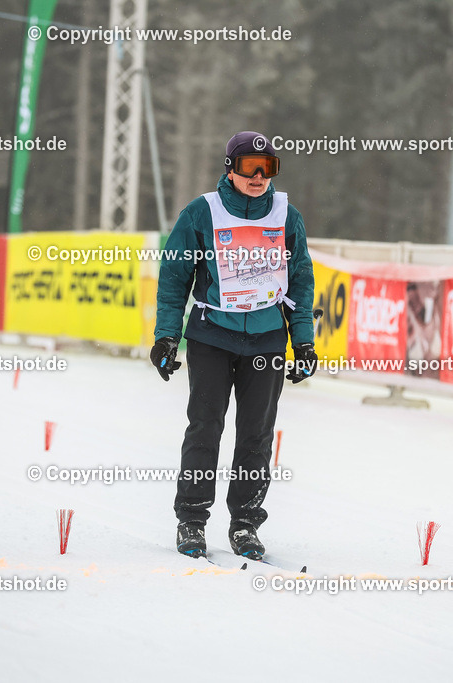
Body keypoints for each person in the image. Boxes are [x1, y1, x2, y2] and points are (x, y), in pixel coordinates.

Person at [150, 131, 317, 560]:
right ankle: (191, 519)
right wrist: (167, 335)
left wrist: (304, 343)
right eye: (248, 167)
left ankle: (244, 525)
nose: (259, 176)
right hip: (212, 337)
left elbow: (300, 282)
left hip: (266, 340)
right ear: (230, 168)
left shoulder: (286, 216)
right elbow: (174, 281)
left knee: (256, 436)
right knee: (205, 428)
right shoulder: (201, 212)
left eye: (268, 168)